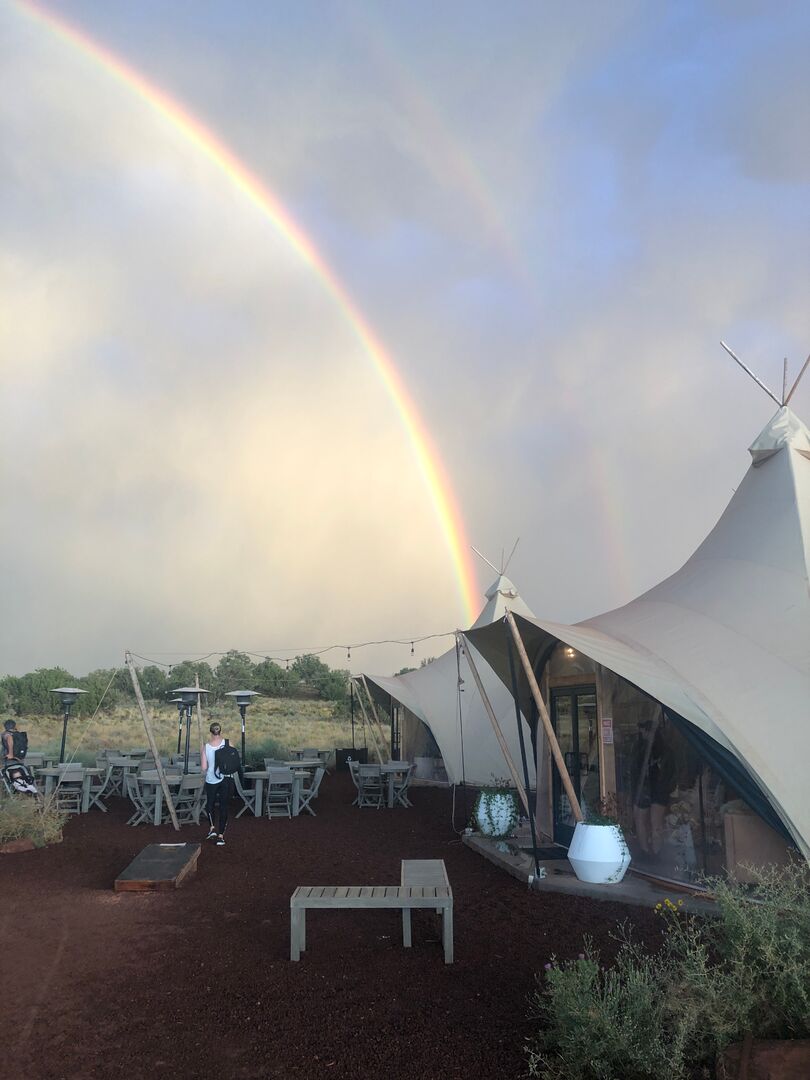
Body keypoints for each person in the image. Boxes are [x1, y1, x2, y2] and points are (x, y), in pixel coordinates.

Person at [201, 722, 231, 846]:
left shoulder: (206, 747)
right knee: (224, 806)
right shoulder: (228, 744)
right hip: (225, 778)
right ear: (220, 731)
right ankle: (221, 835)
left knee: (210, 804)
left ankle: (212, 828)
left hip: (211, 779)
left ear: (210, 732)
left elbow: (204, 767)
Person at [2, 719, 38, 795]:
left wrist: (11, 754)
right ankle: (26, 788)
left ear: (5, 726)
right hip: (19, 761)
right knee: (22, 775)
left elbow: (9, 739)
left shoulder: (6, 734)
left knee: (10, 776)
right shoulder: (18, 734)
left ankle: (8, 793)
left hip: (8, 761)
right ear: (14, 726)